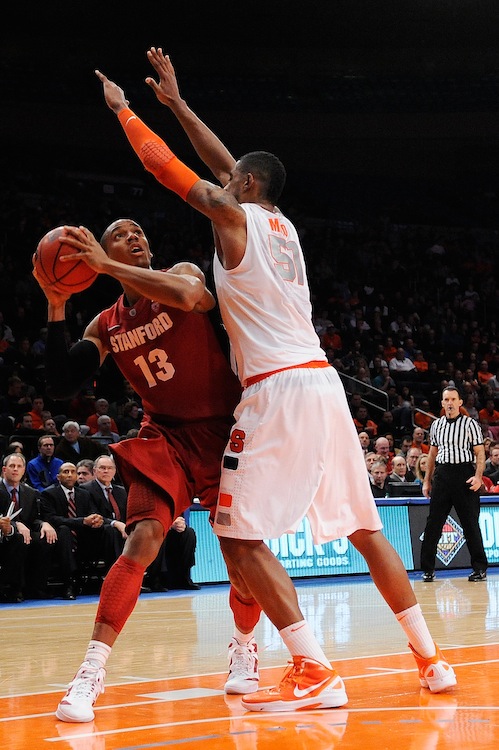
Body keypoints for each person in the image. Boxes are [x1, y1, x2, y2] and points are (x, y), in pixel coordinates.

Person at [91, 48, 456, 712]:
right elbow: (224, 162)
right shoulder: (276, 222)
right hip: (322, 384)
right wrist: (177, 103)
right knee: (365, 530)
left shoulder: (233, 218)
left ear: (246, 188)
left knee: (235, 534)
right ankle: (431, 659)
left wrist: (126, 111)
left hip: (277, 390)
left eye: (231, 181)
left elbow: (164, 166)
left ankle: (313, 666)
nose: (222, 182)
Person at [33, 209, 251, 723]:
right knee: (143, 538)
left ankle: (244, 645)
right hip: (166, 434)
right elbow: (63, 384)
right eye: (120, 236)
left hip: (224, 431)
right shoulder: (105, 323)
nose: (134, 238)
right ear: (103, 250)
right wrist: (57, 306)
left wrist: (108, 265)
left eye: (138, 234)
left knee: (241, 555)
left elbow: (192, 299)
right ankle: (91, 672)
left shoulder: (181, 275)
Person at [420, 386, 488, 583]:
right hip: (442, 475)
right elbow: (432, 454)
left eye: (453, 399)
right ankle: (428, 570)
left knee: (470, 524)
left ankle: (480, 568)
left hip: (464, 474)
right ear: (442, 403)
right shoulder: (436, 425)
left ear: (460, 402)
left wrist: (478, 477)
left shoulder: (470, 424)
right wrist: (426, 480)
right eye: (446, 399)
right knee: (433, 524)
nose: (449, 403)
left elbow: (480, 453)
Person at [40, 462, 108, 599]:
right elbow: (52, 519)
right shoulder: (49, 494)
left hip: (83, 537)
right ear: (58, 477)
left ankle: (111, 579)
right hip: (60, 539)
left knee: (107, 530)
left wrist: (97, 519)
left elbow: (92, 512)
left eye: (73, 472)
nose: (70, 475)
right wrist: (82, 521)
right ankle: (68, 584)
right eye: (66, 472)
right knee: (64, 530)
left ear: (77, 476)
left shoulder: (85, 494)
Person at [0, 453, 57, 600]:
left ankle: (37, 588)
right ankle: (13, 588)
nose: (15, 469)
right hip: (5, 535)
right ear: (4, 469)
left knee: (45, 539)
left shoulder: (31, 492)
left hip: (25, 534)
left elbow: (33, 519)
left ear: (24, 470)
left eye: (19, 466)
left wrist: (44, 524)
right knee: (19, 539)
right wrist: (15, 524)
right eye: (12, 466)